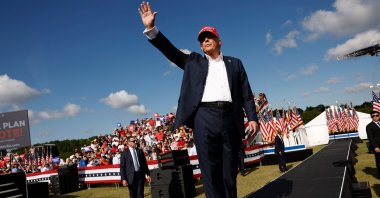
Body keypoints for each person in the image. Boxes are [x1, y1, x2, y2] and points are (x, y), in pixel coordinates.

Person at [138, 2, 258, 197]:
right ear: (200, 45)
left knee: (229, 172)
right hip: (204, 118)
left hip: (230, 118)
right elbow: (171, 52)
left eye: (210, 36)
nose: (206, 40)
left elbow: (246, 93)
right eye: (202, 39)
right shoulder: (193, 61)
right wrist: (151, 29)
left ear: (219, 41)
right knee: (210, 172)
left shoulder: (235, 64)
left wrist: (252, 118)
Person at [366, 110, 380, 178]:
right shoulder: (369, 126)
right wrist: (375, 147)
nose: (375, 117)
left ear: (379, 115)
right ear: (371, 117)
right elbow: (370, 138)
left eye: (377, 115)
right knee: (379, 161)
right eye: (373, 116)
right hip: (377, 146)